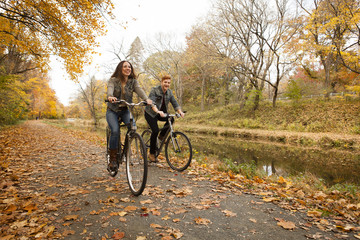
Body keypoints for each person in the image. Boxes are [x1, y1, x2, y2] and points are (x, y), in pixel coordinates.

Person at [106, 60, 152, 171]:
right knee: (115, 131)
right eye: (125, 66)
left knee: (133, 128)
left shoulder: (133, 82)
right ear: (120, 69)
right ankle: (112, 159)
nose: (128, 68)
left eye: (129, 67)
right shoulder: (113, 80)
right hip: (112, 111)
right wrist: (110, 96)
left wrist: (146, 99)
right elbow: (110, 89)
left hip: (125, 110)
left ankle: (126, 151)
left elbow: (139, 90)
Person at [144, 74, 185, 162]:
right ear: (161, 82)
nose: (167, 84)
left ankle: (161, 137)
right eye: (165, 82)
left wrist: (180, 112)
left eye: (168, 83)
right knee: (155, 130)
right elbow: (152, 103)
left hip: (161, 113)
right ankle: (151, 154)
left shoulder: (169, 92)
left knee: (171, 119)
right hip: (150, 113)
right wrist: (157, 111)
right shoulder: (154, 90)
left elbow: (175, 103)